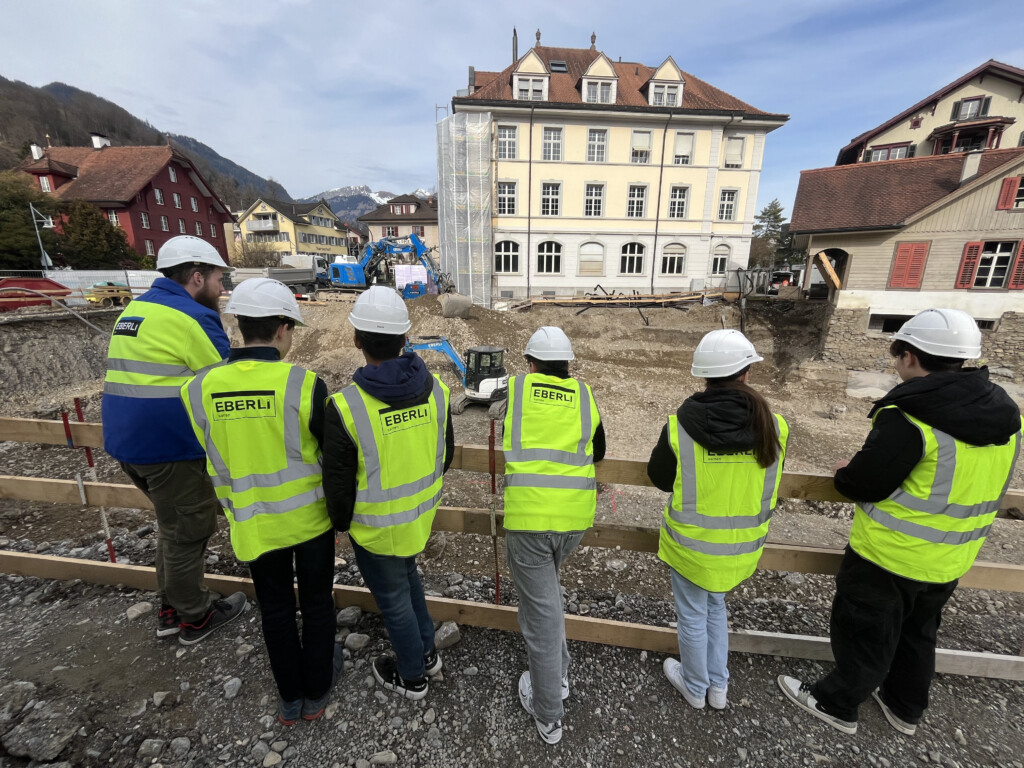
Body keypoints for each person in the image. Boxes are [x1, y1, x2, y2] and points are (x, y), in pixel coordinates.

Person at [779, 308, 1021, 736]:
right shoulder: (1006, 416)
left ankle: (836, 703)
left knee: (865, 632)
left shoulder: (910, 414)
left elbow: (865, 483)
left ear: (909, 356)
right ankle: (903, 707)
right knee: (918, 633)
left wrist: (844, 471)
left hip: (890, 555)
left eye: (897, 355)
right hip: (953, 555)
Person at [180, 278, 341, 725]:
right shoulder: (305, 385)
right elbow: (330, 455)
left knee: (275, 610)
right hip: (309, 523)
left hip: (252, 522)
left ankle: (290, 698)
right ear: (283, 329)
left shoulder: (198, 389)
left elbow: (211, 450)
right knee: (316, 604)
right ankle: (318, 689)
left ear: (241, 326)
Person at [102, 235, 247, 644]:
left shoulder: (137, 308)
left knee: (171, 526)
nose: (222, 288)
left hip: (127, 441)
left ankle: (170, 607)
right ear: (197, 276)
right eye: (219, 278)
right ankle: (195, 616)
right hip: (169, 447)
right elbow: (225, 381)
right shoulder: (191, 318)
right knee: (189, 530)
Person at [322, 286, 454, 701]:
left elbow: (338, 485)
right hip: (418, 519)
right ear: (405, 338)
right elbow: (444, 455)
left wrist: (340, 525)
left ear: (357, 339)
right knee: (409, 579)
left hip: (376, 530)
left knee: (394, 599)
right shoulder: (436, 391)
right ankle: (428, 654)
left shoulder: (345, 407)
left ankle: (412, 676)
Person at [647, 330, 788, 711]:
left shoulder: (679, 425)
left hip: (691, 548)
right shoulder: (774, 426)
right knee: (716, 608)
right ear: (745, 374)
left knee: (693, 614)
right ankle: (719, 687)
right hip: (742, 548)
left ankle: (695, 687)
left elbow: (659, 478)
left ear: (703, 376)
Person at [502, 326, 606, 745]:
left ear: (530, 363)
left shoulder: (516, 389)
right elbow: (597, 451)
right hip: (574, 520)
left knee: (542, 615)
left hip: (529, 521)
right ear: (567, 365)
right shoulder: (584, 395)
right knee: (543, 601)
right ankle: (557, 674)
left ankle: (548, 712)